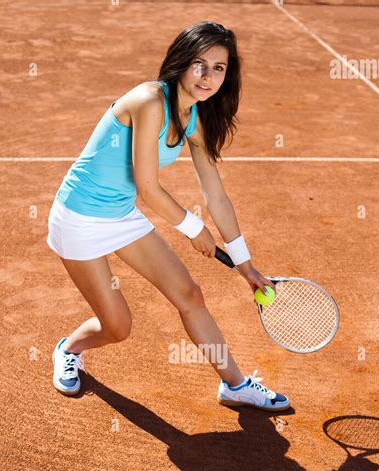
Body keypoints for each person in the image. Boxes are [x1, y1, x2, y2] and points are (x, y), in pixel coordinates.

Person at [46, 20, 290, 411]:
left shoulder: (194, 120)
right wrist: (194, 229)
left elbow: (217, 196)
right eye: (200, 63)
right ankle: (70, 347)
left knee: (190, 294)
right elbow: (147, 186)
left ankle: (235, 385)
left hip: (120, 216)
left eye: (219, 68)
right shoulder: (148, 100)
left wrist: (246, 266)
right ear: (180, 61)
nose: (207, 76)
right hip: (79, 218)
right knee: (118, 328)